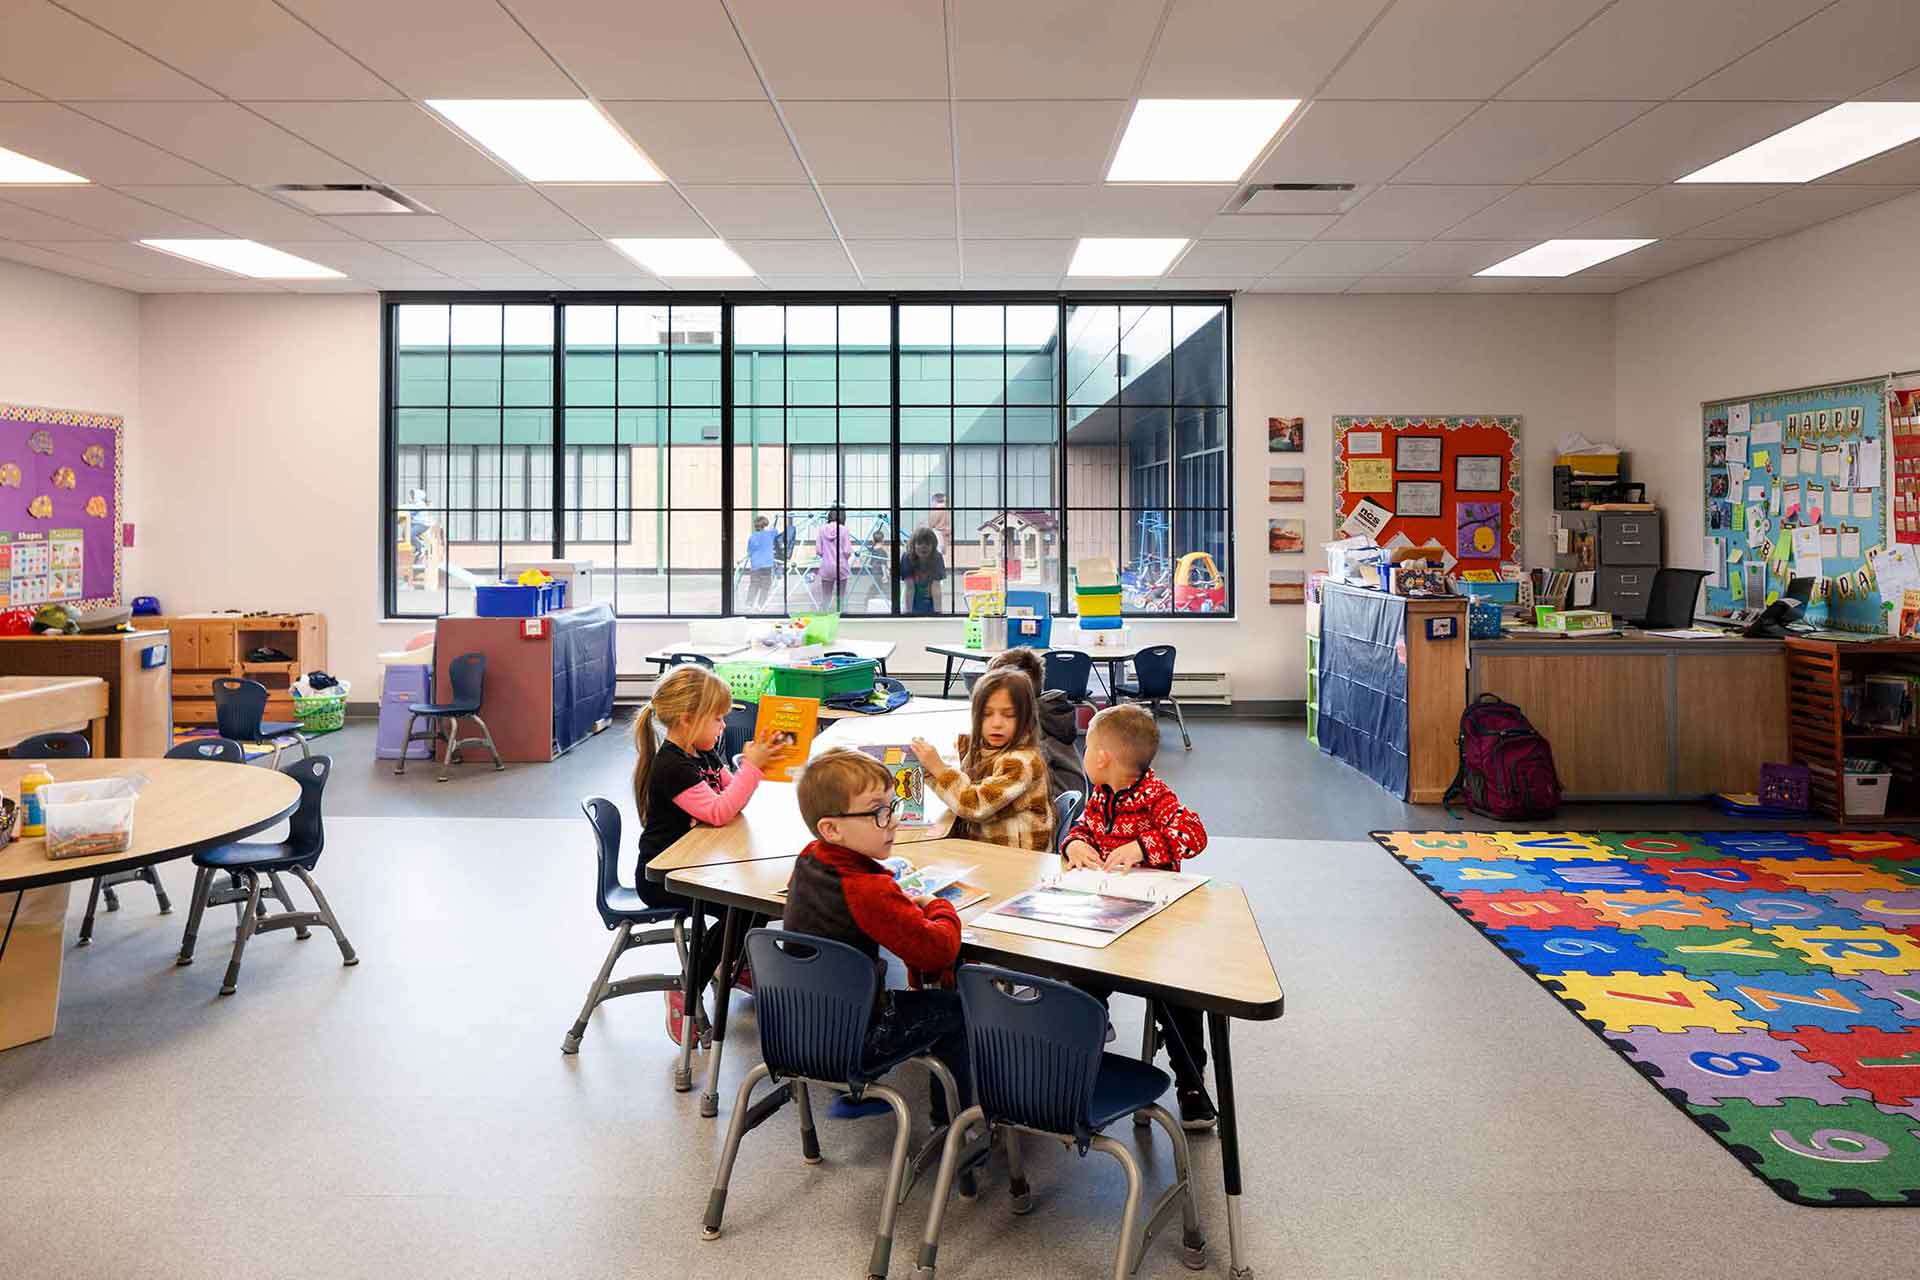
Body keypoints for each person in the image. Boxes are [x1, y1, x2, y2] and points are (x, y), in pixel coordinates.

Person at [784, 748, 968, 1122]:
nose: (893, 821)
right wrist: (937, 907)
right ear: (831, 828)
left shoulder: (809, 857)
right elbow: (938, 951)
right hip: (855, 1042)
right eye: (877, 813)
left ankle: (854, 1093)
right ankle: (951, 1122)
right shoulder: (866, 889)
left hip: (797, 1028)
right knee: (957, 1008)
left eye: (891, 806)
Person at [1058, 703, 1214, 1130]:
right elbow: (1082, 829)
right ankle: (1079, 1070)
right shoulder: (1101, 796)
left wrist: (1144, 847)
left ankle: (1191, 1085)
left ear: (1102, 757)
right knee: (1077, 983)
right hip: (1105, 921)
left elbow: (1193, 833)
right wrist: (1073, 846)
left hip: (1156, 928)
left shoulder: (1155, 795)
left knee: (1178, 1002)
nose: (1083, 753)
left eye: (1086, 746)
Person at [633, 665, 777, 1045]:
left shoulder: (703, 753)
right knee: (739, 906)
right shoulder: (672, 766)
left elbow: (731, 797)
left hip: (695, 864)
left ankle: (730, 961)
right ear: (687, 719)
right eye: (717, 718)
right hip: (664, 876)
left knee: (756, 903)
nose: (723, 726)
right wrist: (752, 768)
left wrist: (749, 771)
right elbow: (718, 811)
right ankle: (687, 987)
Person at [911, 668, 1053, 852]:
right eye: (986, 714)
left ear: (1026, 719)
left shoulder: (1020, 763)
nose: (996, 723)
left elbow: (974, 806)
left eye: (1008, 715)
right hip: (992, 851)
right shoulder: (984, 749)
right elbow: (965, 791)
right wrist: (929, 769)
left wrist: (937, 769)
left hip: (1018, 862)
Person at [984, 647, 1087, 802]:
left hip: (1051, 804)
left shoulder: (1033, 722)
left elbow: (1013, 777)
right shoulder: (1043, 709)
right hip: (1064, 797)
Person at [897, 526, 946, 615]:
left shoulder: (937, 557)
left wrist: (938, 612)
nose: (923, 547)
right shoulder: (907, 557)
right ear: (913, 545)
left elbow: (936, 587)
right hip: (912, 601)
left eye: (927, 544)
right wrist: (908, 612)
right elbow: (910, 587)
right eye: (919, 543)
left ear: (933, 545)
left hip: (930, 602)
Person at [813, 505, 852, 610]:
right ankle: (841, 618)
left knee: (826, 597)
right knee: (841, 597)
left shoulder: (821, 529)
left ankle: (824, 618)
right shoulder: (844, 530)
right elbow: (847, 551)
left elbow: (819, 551)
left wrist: (826, 556)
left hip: (826, 567)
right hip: (841, 567)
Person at [746, 515, 777, 610]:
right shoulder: (771, 534)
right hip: (767, 565)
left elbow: (749, 551)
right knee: (765, 586)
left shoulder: (752, 537)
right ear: (765, 525)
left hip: (756, 565)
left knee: (754, 585)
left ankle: (749, 604)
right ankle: (760, 605)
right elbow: (776, 531)